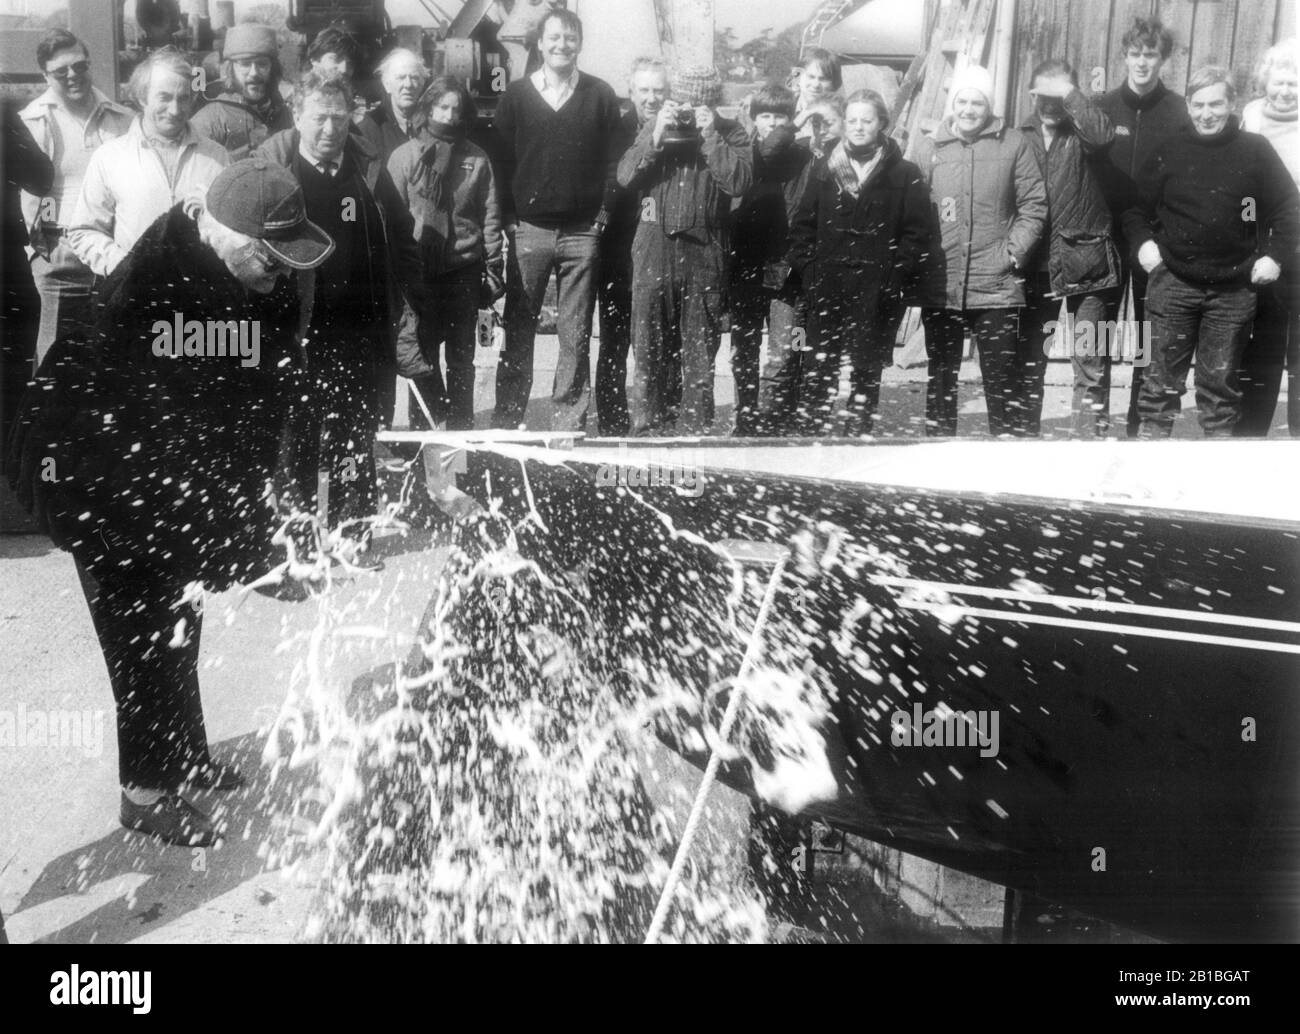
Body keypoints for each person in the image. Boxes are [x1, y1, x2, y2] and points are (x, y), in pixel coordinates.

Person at [5, 158, 334, 845]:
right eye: (274, 260)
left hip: (163, 469)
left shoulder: (239, 281)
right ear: (237, 242)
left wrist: (270, 512)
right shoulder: (162, 293)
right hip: (102, 481)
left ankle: (185, 758)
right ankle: (144, 791)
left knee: (180, 622)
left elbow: (251, 398)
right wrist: (252, 552)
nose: (285, 275)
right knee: (143, 642)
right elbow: (176, 454)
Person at [256, 71, 429, 534]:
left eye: (339, 117)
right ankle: (303, 539)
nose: (330, 129)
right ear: (297, 115)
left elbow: (401, 233)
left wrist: (408, 298)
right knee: (300, 438)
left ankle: (354, 530)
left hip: (361, 328)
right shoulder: (274, 166)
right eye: (319, 118)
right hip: (301, 331)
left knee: (355, 435)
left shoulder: (366, 167)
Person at [1123, 66, 1300, 438]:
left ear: (1231, 103)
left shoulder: (1255, 150)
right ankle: (1144, 477)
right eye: (1199, 105)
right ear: (1188, 106)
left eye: (1216, 104)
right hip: (1173, 284)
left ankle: (1215, 479)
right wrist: (1144, 244)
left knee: (1219, 393)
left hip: (1233, 291)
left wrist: (1274, 255)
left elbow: (1286, 206)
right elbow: (1135, 208)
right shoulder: (1170, 149)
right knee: (1157, 388)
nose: (1207, 114)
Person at [491, 8, 624, 432]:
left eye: (570, 37)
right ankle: (507, 421)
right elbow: (500, 161)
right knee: (519, 328)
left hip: (583, 232)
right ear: (539, 42)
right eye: (554, 37)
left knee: (576, 334)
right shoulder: (515, 96)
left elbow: (613, 163)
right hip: (530, 230)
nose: (562, 44)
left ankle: (567, 426)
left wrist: (601, 217)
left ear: (579, 43)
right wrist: (510, 219)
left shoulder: (600, 94)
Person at [785, 89, 932, 436]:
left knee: (866, 368)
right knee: (820, 364)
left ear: (882, 123)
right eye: (852, 120)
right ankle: (813, 433)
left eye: (867, 120)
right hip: (828, 284)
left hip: (876, 287)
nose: (859, 127)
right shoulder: (824, 168)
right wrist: (811, 271)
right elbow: (802, 225)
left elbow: (916, 232)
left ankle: (858, 433)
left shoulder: (903, 172)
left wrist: (895, 274)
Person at [618, 65, 753, 436]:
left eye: (700, 103)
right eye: (682, 101)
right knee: (647, 346)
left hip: (706, 254)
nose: (689, 110)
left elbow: (739, 182)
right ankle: (646, 429)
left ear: (713, 103)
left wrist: (710, 134)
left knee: (698, 353)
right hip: (653, 249)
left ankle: (694, 431)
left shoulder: (730, 132)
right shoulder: (655, 126)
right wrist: (657, 133)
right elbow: (626, 176)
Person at [915, 64, 1047, 436]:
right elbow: (916, 211)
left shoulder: (1013, 144)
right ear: (952, 103)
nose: (969, 109)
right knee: (941, 373)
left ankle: (1002, 452)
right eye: (963, 100)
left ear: (989, 106)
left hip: (997, 284)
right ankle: (937, 450)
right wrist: (925, 259)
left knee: (1001, 375)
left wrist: (1013, 251)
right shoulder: (931, 148)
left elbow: (1034, 204)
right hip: (943, 283)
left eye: (978, 102)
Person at [388, 75, 502, 430]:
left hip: (462, 271)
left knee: (461, 360)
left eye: (456, 108)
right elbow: (391, 216)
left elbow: (490, 213)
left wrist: (494, 266)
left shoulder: (477, 158)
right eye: (442, 107)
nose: (449, 115)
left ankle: (461, 435)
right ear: (428, 108)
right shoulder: (405, 156)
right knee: (422, 359)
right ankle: (427, 435)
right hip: (419, 272)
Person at [1096, 17, 1191, 437]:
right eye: (1135, 53)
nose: (1142, 62)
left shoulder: (1179, 111)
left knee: (1147, 338)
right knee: (1095, 336)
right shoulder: (1103, 106)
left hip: (1152, 242)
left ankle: (1139, 431)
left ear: (1163, 58)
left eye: (1150, 54)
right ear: (1124, 56)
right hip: (1101, 239)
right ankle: (1093, 428)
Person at [1015, 60, 1120, 437]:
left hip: (1089, 264)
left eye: (1056, 94)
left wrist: (1070, 95)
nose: (1049, 102)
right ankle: (1022, 447)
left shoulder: (1085, 132)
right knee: (1028, 365)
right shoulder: (1018, 135)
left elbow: (1104, 136)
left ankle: (1087, 448)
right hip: (1034, 267)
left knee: (1090, 363)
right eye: (1042, 93)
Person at [18, 29, 133, 359]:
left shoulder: (123, 121)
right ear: (45, 75)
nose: (73, 76)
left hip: (113, 260)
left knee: (114, 363)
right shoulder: (32, 123)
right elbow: (28, 195)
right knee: (54, 363)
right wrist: (44, 249)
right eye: (60, 71)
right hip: (60, 265)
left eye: (80, 66)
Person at [67, 48, 229, 280]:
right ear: (142, 97)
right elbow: (84, 231)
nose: (174, 110)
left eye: (183, 98)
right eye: (164, 97)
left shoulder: (217, 157)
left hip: (200, 296)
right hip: (134, 296)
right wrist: (124, 266)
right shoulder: (109, 157)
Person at [729, 81, 815, 435]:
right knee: (744, 352)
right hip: (746, 269)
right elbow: (766, 153)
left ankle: (775, 420)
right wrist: (793, 125)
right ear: (753, 118)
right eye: (765, 115)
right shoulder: (743, 153)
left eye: (781, 116)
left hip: (788, 272)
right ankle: (746, 420)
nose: (773, 123)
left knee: (789, 349)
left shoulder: (804, 156)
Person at [596, 56, 670, 437]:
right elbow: (614, 183)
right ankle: (611, 423)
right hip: (620, 252)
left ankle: (653, 422)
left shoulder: (676, 130)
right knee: (614, 342)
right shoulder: (616, 130)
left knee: (655, 344)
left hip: (661, 253)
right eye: (645, 90)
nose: (652, 98)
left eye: (659, 90)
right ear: (631, 92)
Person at [1238, 38, 1300, 437]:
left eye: (1295, 83)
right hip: (1265, 246)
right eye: (1280, 81)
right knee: (1264, 344)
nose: (1286, 89)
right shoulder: (1251, 116)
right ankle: (1252, 433)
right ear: (1266, 80)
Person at [190, 22, 293, 160]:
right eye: (245, 64)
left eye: (262, 64)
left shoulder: (284, 113)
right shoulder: (212, 119)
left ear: (273, 68)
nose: (254, 73)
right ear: (230, 69)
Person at [359, 48, 429, 162]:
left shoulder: (431, 123)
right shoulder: (370, 127)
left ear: (422, 84)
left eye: (415, 78)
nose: (408, 84)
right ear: (387, 84)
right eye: (401, 77)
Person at [792, 47, 843, 159]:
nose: (815, 85)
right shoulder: (783, 108)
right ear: (798, 77)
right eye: (810, 76)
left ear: (834, 84)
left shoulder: (842, 115)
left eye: (823, 79)